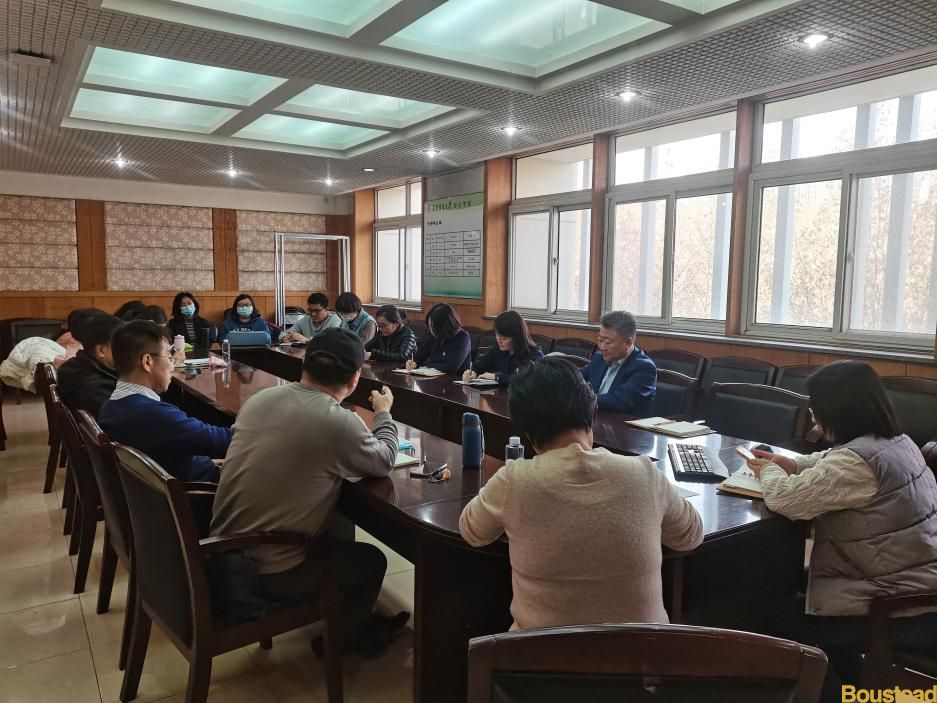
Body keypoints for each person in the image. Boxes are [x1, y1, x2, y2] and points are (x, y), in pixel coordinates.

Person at [459, 358, 703, 630]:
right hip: (644, 653)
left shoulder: (514, 480)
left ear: (526, 431)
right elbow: (691, 535)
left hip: (539, 653)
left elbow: (472, 530)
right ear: (592, 412)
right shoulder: (644, 473)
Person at [744, 361, 937, 701]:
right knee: (785, 585)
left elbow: (786, 499)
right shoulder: (897, 441)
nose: (814, 422)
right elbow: (833, 460)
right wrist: (793, 463)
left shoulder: (857, 464)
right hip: (910, 584)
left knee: (773, 617)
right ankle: (847, 681)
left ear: (840, 412)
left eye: (816, 413)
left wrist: (768, 471)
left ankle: (834, 693)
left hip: (896, 606)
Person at [210, 328, 409, 657]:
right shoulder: (336, 422)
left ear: (304, 364)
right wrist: (384, 412)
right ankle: (343, 640)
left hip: (225, 554)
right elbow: (385, 459)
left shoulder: (259, 400)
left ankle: (343, 618)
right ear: (355, 379)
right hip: (268, 574)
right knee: (371, 560)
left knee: (334, 526)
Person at [98, 320, 231, 482]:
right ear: (147, 361)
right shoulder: (152, 414)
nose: (172, 366)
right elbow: (221, 441)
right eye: (169, 357)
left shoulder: (110, 406)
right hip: (203, 490)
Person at [580, 310, 656, 415]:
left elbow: (619, 401)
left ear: (628, 343)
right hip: (596, 418)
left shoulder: (644, 368)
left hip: (623, 423)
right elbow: (576, 378)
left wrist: (580, 400)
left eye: (608, 342)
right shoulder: (599, 358)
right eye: (600, 340)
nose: (602, 347)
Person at [56, 313, 122, 417]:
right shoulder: (96, 389)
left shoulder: (75, 366)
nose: (128, 351)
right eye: (122, 346)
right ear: (101, 350)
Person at [462, 310, 543, 387]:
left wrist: (497, 377)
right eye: (497, 335)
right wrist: (473, 373)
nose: (499, 340)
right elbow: (479, 365)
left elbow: (526, 379)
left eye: (504, 338)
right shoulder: (497, 350)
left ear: (517, 338)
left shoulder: (534, 355)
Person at [405, 303, 471, 375]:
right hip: (432, 378)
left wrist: (426, 366)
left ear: (444, 325)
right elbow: (418, 356)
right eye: (429, 326)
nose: (431, 330)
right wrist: (412, 362)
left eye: (433, 327)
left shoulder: (462, 338)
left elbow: (450, 368)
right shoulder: (435, 336)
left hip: (453, 380)